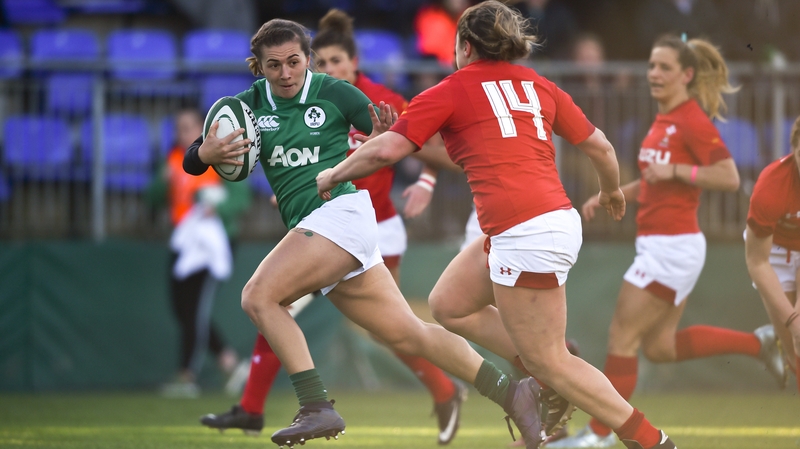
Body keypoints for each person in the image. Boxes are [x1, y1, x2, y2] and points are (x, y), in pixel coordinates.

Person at [317, 2, 676, 448]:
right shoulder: (539, 84)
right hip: (540, 222)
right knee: (448, 303)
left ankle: (650, 440)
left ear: (466, 46)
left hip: (526, 232)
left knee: (553, 363)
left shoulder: (450, 89)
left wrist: (333, 174)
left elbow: (389, 150)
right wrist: (611, 191)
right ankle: (543, 378)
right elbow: (601, 147)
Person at [183, 17, 544, 449]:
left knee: (258, 297)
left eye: (294, 62)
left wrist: (380, 138)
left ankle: (315, 405)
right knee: (408, 333)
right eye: (274, 65)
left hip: (341, 214)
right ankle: (513, 392)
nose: (285, 73)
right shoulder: (246, 106)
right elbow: (193, 161)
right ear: (257, 67)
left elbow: (401, 137)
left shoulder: (335, 92)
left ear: (308, 59)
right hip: (320, 225)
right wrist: (203, 152)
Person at [552, 35, 786, 448]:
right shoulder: (664, 120)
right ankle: (758, 342)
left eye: (664, 68)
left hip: (671, 246)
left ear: (687, 75)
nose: (654, 74)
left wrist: (680, 170)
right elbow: (657, 178)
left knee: (621, 336)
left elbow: (728, 176)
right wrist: (614, 191)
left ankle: (601, 435)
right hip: (663, 244)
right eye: (651, 66)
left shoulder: (692, 119)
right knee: (658, 348)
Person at [146, 109, 245, 398]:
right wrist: (162, 181)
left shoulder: (219, 154)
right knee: (183, 309)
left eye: (188, 127)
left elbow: (240, 197)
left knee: (195, 309)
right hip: (185, 240)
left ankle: (186, 375)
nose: (182, 133)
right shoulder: (174, 160)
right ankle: (230, 363)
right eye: (178, 128)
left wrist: (219, 208)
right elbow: (151, 197)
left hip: (212, 242)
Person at [745, 114, 800, 394]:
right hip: (773, 252)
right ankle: (779, 338)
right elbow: (757, 261)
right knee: (795, 353)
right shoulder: (772, 185)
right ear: (794, 147)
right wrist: (792, 321)